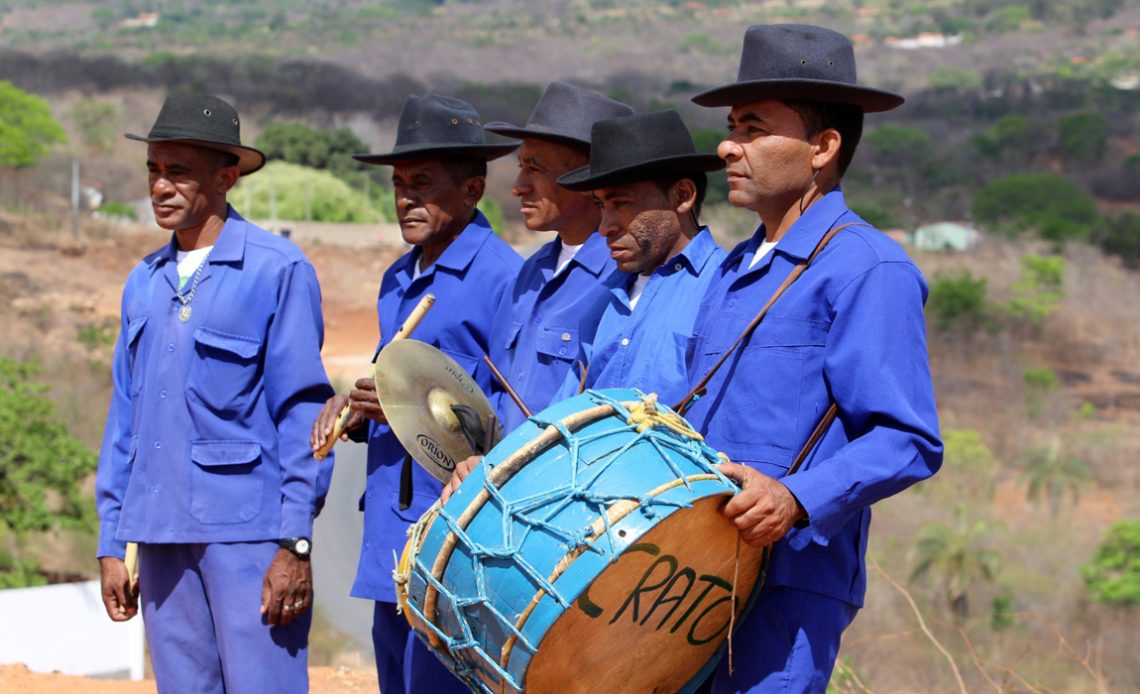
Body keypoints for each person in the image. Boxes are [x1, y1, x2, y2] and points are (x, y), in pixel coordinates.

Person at [684, 24, 944, 692]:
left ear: (822, 147)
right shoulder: (735, 269)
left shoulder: (867, 267)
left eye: (752, 128)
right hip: (691, 576)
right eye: (731, 126)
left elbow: (908, 438)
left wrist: (798, 498)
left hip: (788, 584)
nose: (727, 146)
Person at [95, 94, 335, 693]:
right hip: (157, 535)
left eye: (179, 171)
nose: (161, 186)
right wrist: (111, 538)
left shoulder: (277, 270)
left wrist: (294, 543)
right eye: (154, 169)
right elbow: (125, 418)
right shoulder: (142, 283)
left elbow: (302, 416)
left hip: (249, 537)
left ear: (226, 177)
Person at [308, 93, 522, 694]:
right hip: (388, 527)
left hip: (452, 530)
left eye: (422, 184)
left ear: (473, 189)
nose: (406, 198)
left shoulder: (503, 279)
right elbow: (390, 381)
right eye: (399, 184)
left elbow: (505, 413)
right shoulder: (397, 278)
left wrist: (409, 405)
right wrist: (352, 411)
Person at [481, 81, 633, 432]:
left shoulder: (623, 276)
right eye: (521, 166)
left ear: (586, 178)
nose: (519, 185)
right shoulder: (529, 273)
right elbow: (498, 393)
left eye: (535, 168)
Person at [552, 109, 726, 406]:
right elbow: (564, 412)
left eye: (621, 203)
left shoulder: (725, 289)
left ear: (682, 196)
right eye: (601, 205)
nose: (605, 226)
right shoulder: (605, 300)